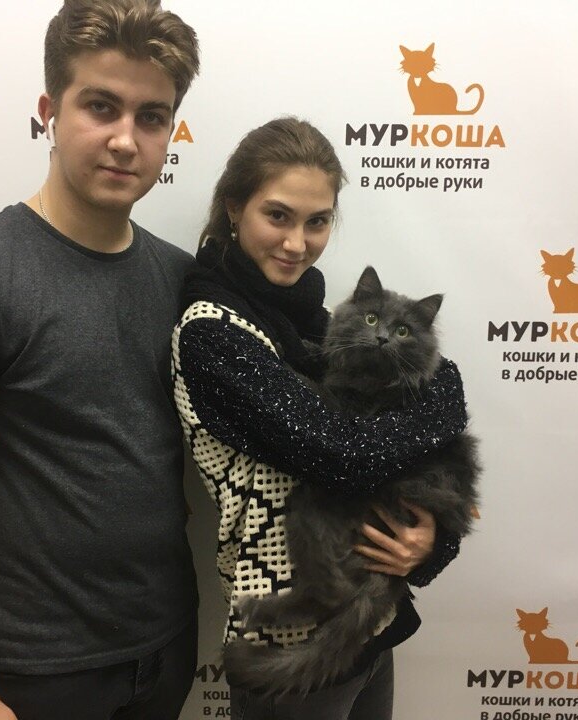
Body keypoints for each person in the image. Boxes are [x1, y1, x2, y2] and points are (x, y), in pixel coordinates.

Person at [0, 2, 200, 719]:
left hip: (167, 645)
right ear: (49, 113)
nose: (125, 140)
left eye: (152, 117)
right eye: (101, 106)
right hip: (34, 672)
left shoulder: (184, 280)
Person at [171, 117, 469, 720]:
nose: (296, 243)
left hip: (370, 624)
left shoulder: (311, 317)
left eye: (317, 221)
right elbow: (346, 455)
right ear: (234, 208)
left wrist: (430, 543)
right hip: (293, 643)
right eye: (277, 216)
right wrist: (448, 395)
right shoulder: (213, 332)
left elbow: (406, 442)